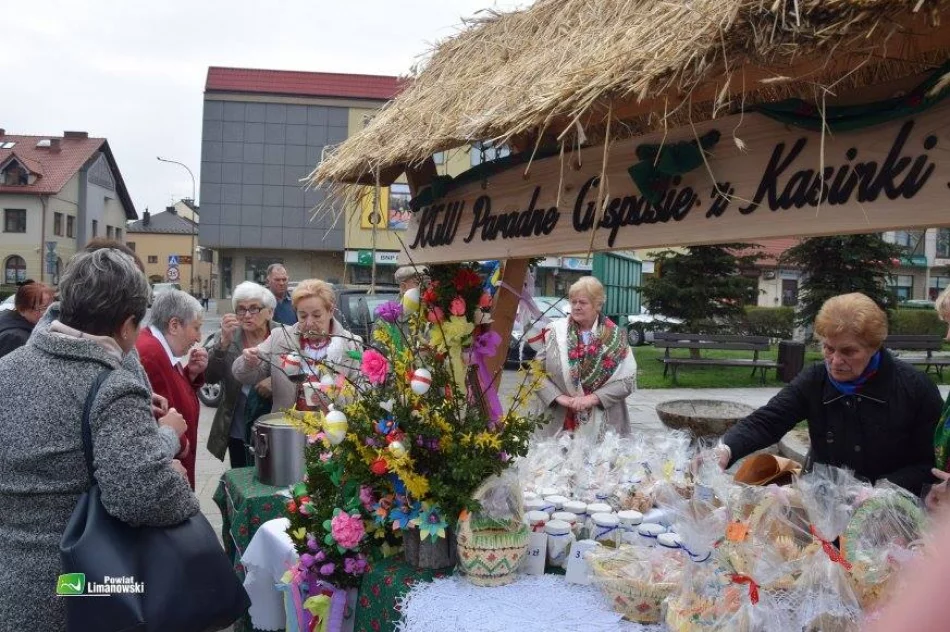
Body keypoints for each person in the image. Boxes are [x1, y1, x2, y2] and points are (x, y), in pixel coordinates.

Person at [0, 248, 198, 632]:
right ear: (126, 325)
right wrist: (170, 466)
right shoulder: (111, 385)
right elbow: (144, 497)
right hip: (76, 589)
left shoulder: (7, 368)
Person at [716, 292, 942, 495]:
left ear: (874, 347)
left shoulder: (915, 388)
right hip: (823, 501)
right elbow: (768, 420)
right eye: (828, 348)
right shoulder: (816, 379)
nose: (835, 361)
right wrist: (726, 448)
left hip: (891, 509)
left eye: (848, 352)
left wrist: (883, 490)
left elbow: (930, 463)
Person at [233, 279, 362, 413]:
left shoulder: (352, 344)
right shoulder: (280, 338)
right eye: (303, 316)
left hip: (333, 425)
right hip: (286, 424)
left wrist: (331, 395)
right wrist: (248, 362)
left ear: (330, 311)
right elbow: (245, 376)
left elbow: (361, 395)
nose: (309, 322)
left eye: (316, 315)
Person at [534, 276, 638, 441]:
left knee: (601, 457)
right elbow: (534, 372)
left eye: (582, 302)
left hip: (605, 422)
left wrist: (592, 399)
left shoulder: (617, 337)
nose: (576, 306)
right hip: (558, 418)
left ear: (597, 305)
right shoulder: (554, 332)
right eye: (573, 302)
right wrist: (560, 398)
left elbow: (628, 381)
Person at [136, 289, 208, 490]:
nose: (199, 337)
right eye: (196, 328)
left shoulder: (160, 347)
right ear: (174, 325)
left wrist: (190, 374)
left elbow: (172, 391)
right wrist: (183, 444)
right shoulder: (150, 354)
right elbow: (155, 418)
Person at [207, 281, 279, 467]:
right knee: (241, 472)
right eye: (241, 309)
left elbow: (301, 371)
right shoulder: (227, 336)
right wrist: (223, 344)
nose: (247, 315)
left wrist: (275, 381)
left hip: (277, 422)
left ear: (269, 312)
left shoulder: (283, 334)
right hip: (238, 427)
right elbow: (210, 378)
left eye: (254, 308)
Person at [0, 281, 54, 358]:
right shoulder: (15, 338)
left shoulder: (11, 319)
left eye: (50, 307)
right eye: (43, 308)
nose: (48, 313)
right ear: (22, 309)